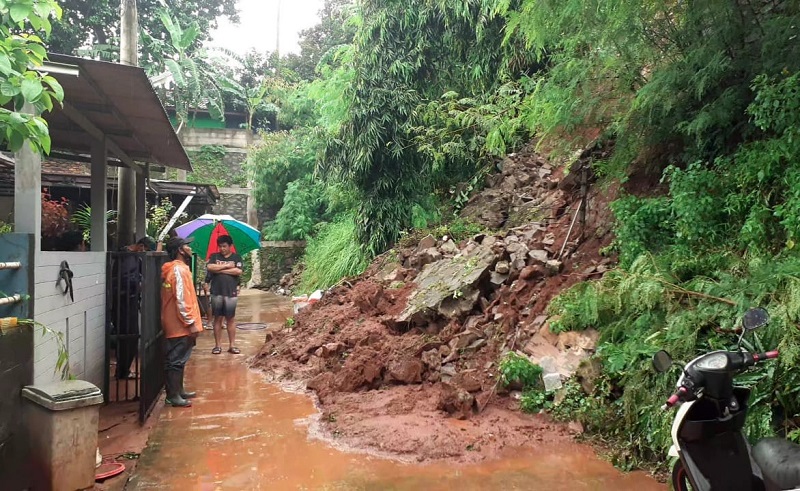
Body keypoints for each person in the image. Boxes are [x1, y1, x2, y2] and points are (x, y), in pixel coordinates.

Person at [161, 236, 203, 407]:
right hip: (180, 325)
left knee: (180, 359)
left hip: (177, 323)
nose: (190, 249)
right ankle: (173, 395)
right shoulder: (178, 271)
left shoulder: (179, 269)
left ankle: (179, 391)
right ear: (180, 250)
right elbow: (181, 299)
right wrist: (190, 322)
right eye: (187, 246)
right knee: (176, 361)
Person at [111, 236, 156, 379]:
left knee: (129, 337)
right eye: (145, 249)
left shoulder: (131, 257)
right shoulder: (128, 258)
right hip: (124, 301)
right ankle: (123, 371)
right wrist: (139, 285)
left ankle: (123, 370)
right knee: (129, 337)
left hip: (126, 300)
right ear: (140, 246)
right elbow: (125, 279)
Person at [206, 234, 243, 355]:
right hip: (216, 291)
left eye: (224, 246)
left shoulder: (237, 257)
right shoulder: (214, 256)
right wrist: (227, 266)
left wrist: (219, 269)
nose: (222, 249)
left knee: (230, 319)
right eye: (220, 246)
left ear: (230, 246)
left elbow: (238, 271)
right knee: (217, 318)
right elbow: (210, 267)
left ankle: (232, 345)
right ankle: (217, 346)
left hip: (230, 292)